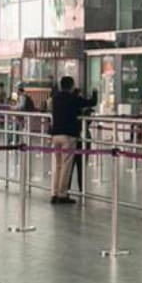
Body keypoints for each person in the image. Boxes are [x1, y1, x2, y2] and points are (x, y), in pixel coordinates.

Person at [49, 76, 97, 204]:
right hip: (68, 135)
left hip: (55, 134)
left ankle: (54, 193)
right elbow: (91, 102)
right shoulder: (73, 98)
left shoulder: (55, 98)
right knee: (66, 166)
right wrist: (95, 92)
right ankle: (62, 194)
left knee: (57, 165)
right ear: (71, 86)